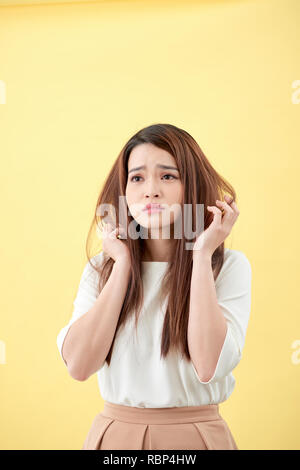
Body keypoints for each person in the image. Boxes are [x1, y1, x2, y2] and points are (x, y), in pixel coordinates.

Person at [56, 123, 252, 450]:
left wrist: (201, 255)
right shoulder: (99, 270)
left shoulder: (228, 266)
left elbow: (208, 366)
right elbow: (79, 365)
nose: (150, 191)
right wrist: (122, 268)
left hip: (197, 438)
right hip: (115, 439)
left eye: (167, 176)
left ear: (192, 186)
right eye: (137, 178)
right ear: (123, 191)